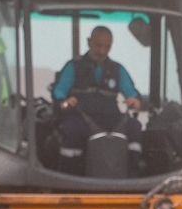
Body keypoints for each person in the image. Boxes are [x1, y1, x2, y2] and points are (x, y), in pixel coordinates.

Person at [51, 25, 143, 174]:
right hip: (80, 116)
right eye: (98, 45)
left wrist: (134, 101)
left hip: (110, 117)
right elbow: (58, 91)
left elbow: (131, 93)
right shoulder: (73, 66)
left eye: (107, 47)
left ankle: (133, 174)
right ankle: (69, 177)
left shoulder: (118, 69)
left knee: (134, 127)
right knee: (73, 130)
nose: (102, 51)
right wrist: (65, 101)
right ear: (89, 42)